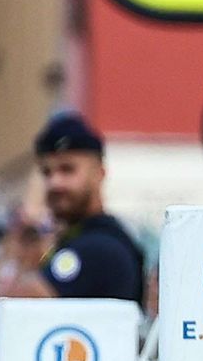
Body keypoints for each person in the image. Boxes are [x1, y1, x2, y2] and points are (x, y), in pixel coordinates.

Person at [32, 111, 146, 303]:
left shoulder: (99, 247)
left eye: (67, 169)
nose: (55, 183)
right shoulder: (74, 239)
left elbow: (19, 304)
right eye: (47, 173)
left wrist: (17, 260)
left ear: (99, 173)